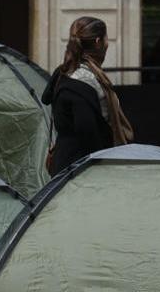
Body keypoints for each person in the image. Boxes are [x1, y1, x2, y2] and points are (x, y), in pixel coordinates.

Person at [42, 16, 134, 176]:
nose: (107, 43)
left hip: (64, 163)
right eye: (106, 38)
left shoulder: (63, 72)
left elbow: (46, 98)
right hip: (80, 172)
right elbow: (87, 132)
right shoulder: (84, 82)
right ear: (98, 41)